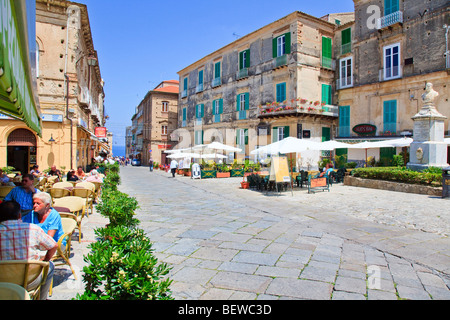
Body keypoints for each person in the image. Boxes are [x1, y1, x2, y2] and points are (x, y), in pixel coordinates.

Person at [0, 200, 57, 300]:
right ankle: (41, 298)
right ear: (19, 215)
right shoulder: (33, 229)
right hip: (29, 281)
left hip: (2, 282)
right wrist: (44, 260)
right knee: (50, 266)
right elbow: (53, 246)